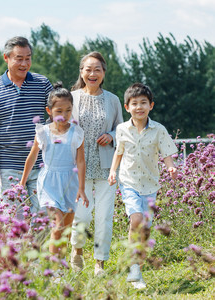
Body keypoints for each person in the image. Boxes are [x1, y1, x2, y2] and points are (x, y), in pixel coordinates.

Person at [108, 83, 177, 288]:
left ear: (151, 105)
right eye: (135, 103)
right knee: (136, 219)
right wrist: (113, 171)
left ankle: (138, 263)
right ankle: (133, 267)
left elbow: (166, 153)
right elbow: (118, 152)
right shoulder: (121, 129)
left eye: (143, 103)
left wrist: (171, 168)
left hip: (150, 185)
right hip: (128, 181)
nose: (139, 107)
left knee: (145, 227)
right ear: (127, 107)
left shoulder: (159, 130)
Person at [0, 36, 53, 220]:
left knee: (43, 217)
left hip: (40, 164)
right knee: (13, 219)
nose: (24, 63)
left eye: (28, 58)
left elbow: (58, 116)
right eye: (19, 58)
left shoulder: (43, 83)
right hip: (8, 166)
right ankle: (17, 249)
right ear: (6, 58)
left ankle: (38, 249)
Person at [69, 51, 124, 276]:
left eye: (97, 70)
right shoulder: (71, 98)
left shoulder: (113, 100)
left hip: (106, 167)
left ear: (103, 74)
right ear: (81, 72)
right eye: (88, 69)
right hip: (77, 166)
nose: (92, 73)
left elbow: (122, 130)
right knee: (81, 215)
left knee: (103, 216)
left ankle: (100, 263)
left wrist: (111, 135)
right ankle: (77, 252)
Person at [19, 82, 89, 257]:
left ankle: (61, 263)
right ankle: (55, 268)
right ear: (49, 111)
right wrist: (22, 182)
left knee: (66, 228)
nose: (63, 115)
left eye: (68, 110)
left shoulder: (77, 132)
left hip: (70, 184)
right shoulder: (43, 132)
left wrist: (81, 188)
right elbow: (32, 157)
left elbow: (80, 162)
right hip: (49, 183)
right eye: (59, 111)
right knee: (57, 225)